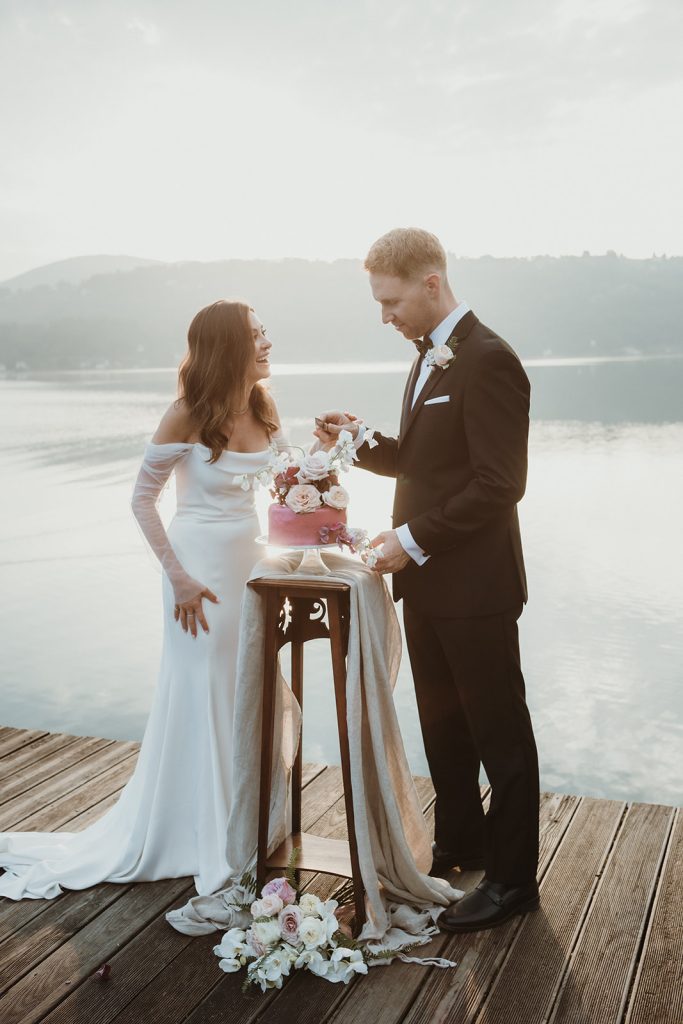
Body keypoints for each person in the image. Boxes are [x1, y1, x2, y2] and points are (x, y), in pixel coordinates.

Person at [0, 299, 282, 900]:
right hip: (196, 571)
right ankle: (203, 829)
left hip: (252, 568)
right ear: (228, 346)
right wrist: (177, 576)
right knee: (204, 686)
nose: (266, 343)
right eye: (256, 335)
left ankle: (247, 821)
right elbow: (142, 499)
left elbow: (278, 489)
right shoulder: (185, 413)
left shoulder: (263, 406)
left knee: (248, 686)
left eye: (264, 333)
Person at [315, 227, 541, 933]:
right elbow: (423, 463)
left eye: (391, 301)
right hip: (427, 586)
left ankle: (510, 883)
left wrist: (408, 540)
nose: (386, 316)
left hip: (475, 590)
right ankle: (460, 844)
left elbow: (499, 485)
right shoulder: (429, 361)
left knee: (499, 736)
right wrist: (356, 442)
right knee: (443, 730)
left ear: (430, 283)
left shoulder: (489, 360)